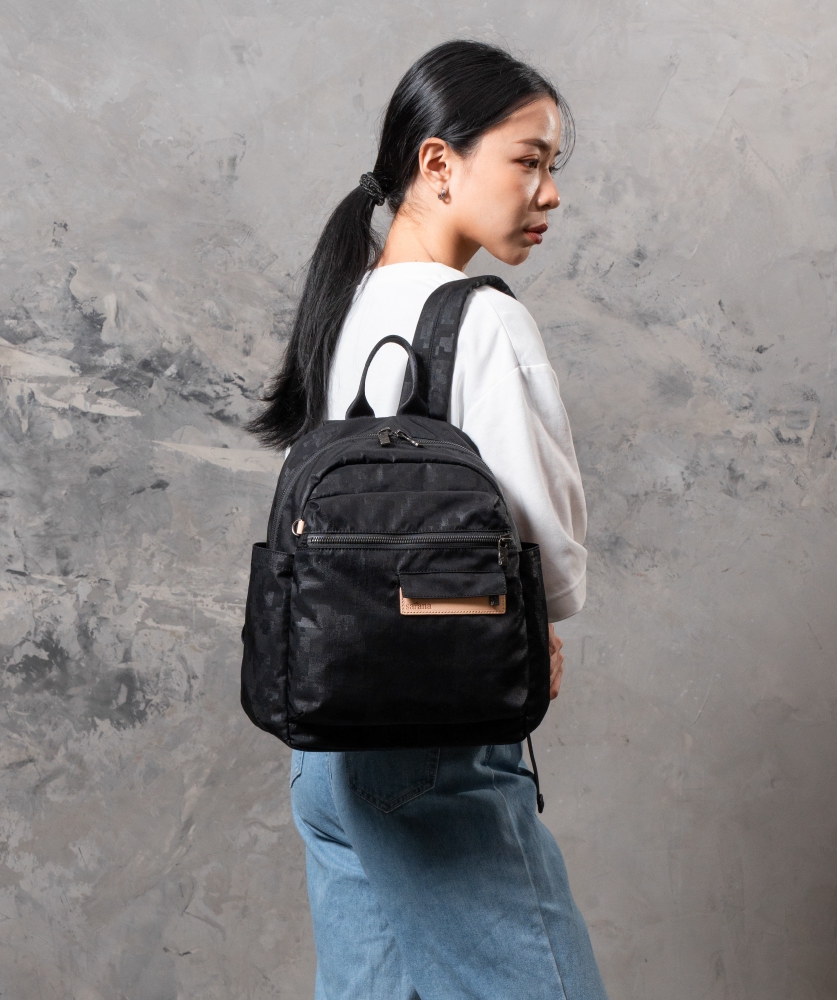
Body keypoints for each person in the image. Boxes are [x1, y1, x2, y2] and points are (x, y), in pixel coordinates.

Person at [249, 39, 607, 1000]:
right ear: (439, 163)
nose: (549, 193)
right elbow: (545, 555)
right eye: (528, 160)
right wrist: (537, 624)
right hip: (432, 738)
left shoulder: (342, 306)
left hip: (324, 744)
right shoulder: (483, 322)